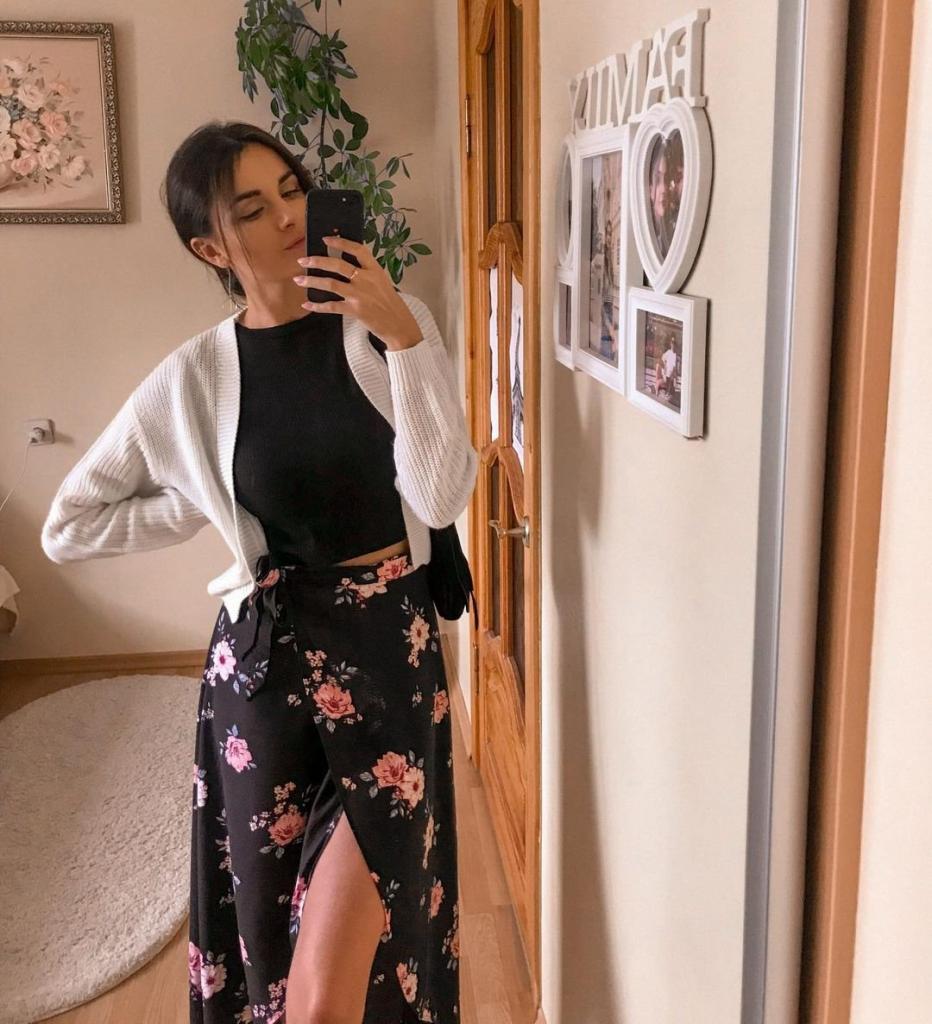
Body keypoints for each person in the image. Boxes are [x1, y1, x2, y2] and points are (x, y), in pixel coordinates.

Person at [40, 120, 477, 1024]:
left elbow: (440, 495)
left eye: (291, 189)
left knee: (336, 979)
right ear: (211, 248)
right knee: (276, 954)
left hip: (387, 659)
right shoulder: (194, 375)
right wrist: (212, 502)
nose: (287, 216)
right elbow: (69, 526)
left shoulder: (388, 327)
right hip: (262, 674)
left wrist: (405, 337)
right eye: (251, 209)